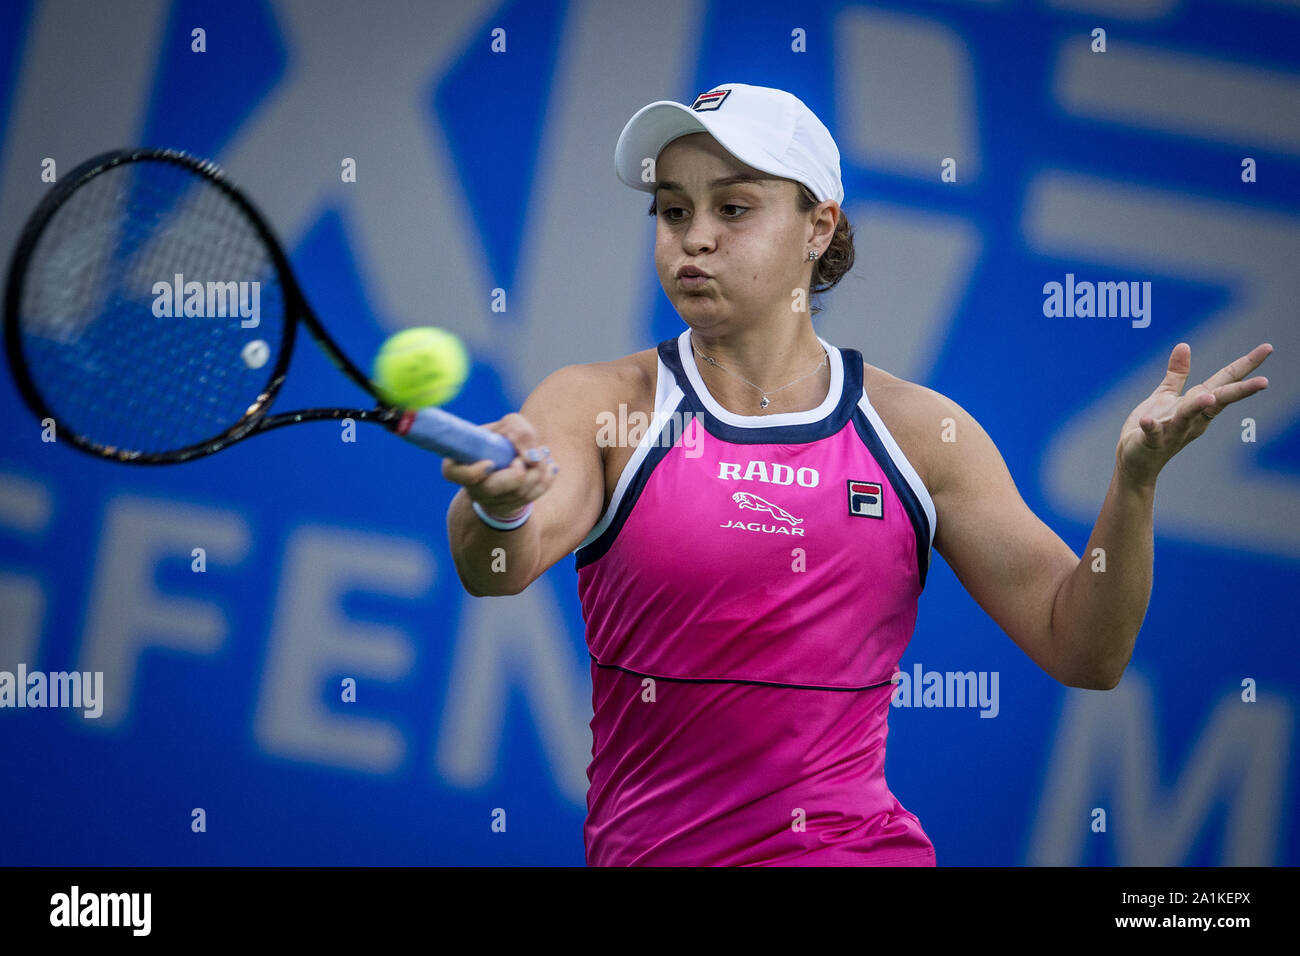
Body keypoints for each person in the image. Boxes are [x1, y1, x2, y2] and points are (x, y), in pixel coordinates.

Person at [442, 83, 1272, 866]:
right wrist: (498, 506)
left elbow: (1084, 648)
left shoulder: (921, 434)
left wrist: (1133, 488)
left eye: (733, 208)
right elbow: (497, 570)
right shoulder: (598, 404)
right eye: (672, 210)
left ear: (816, 227)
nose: (694, 237)